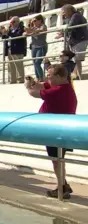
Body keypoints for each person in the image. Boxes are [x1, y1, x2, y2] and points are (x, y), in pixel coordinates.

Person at [25, 64, 77, 199]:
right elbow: (41, 86)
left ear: (59, 77)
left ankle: (62, 188)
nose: (47, 79)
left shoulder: (58, 90)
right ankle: (63, 185)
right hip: (59, 129)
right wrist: (34, 83)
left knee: (56, 160)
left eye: (49, 76)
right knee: (58, 160)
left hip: (56, 130)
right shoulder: (62, 87)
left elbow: (34, 93)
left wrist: (28, 87)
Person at [25, 15, 48, 81]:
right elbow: (26, 32)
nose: (33, 22)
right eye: (33, 21)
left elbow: (42, 30)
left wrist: (33, 31)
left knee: (37, 63)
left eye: (35, 21)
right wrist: (28, 31)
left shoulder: (43, 26)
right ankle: (38, 78)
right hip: (34, 47)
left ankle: (41, 78)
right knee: (35, 63)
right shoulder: (33, 28)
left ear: (40, 20)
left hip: (41, 46)